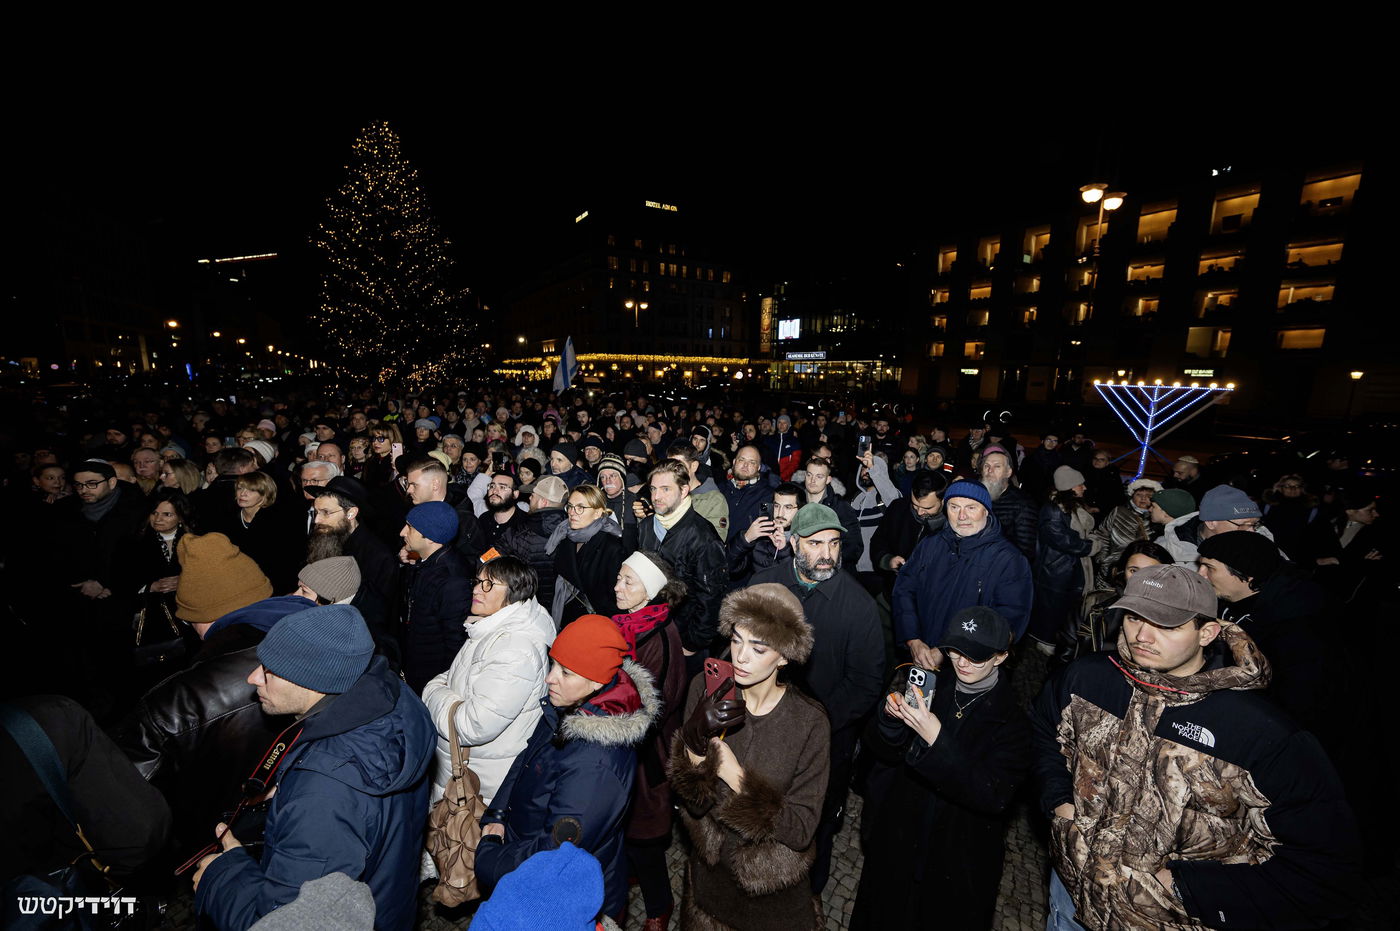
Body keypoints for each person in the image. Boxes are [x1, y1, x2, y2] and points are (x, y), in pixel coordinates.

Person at [1032, 564, 1361, 931]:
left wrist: (1185, 887)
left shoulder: (1260, 731)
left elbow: (1325, 869)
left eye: (1167, 625)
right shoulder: (1086, 677)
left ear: (1207, 633)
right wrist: (1060, 804)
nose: (1142, 635)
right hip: (1072, 897)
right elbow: (1043, 730)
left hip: (1171, 919)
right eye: (1134, 617)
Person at [192, 605, 435, 931]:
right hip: (391, 906)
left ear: (313, 680)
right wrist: (289, 788)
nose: (253, 678)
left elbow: (286, 919)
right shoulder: (394, 697)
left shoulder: (322, 797)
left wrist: (221, 876)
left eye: (270, 670)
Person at [117, 557, 349, 854]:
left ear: (206, 615)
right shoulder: (321, 650)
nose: (256, 679)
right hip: (280, 831)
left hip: (205, 844)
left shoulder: (175, 698)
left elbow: (126, 802)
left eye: (189, 619)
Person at [851, 606, 1030, 929]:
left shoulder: (1013, 723)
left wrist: (937, 740)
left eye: (976, 657)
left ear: (1000, 657)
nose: (962, 662)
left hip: (954, 860)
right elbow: (886, 753)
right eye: (956, 651)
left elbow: (993, 794)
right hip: (899, 843)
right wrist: (890, 722)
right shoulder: (932, 685)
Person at [475, 614, 660, 922]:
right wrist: (497, 814)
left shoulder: (596, 764)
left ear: (597, 681)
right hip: (523, 852)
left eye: (566, 672)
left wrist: (490, 859)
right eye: (553, 664)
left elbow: (554, 853)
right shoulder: (571, 705)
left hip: (563, 899)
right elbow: (527, 758)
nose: (550, 678)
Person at [667, 584, 830, 930]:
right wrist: (694, 742)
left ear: (784, 656)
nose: (740, 656)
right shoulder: (706, 691)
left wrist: (735, 777)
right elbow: (694, 806)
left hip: (773, 901)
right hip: (710, 889)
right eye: (736, 640)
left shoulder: (809, 722)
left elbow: (801, 829)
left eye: (758, 648)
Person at [747, 503, 884, 894]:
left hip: (826, 740)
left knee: (814, 828)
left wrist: (813, 723)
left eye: (834, 543)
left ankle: (807, 901)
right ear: (793, 543)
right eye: (815, 543)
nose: (827, 553)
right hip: (760, 729)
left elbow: (865, 682)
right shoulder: (764, 586)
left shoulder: (858, 606)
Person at [421, 555, 555, 813]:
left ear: (515, 593)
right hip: (470, 772)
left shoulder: (514, 648)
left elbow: (473, 725)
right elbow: (455, 678)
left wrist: (432, 692)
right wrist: (446, 690)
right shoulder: (490, 631)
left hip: (480, 787)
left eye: (489, 584)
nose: (476, 589)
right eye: (478, 581)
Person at [610, 550, 689, 930]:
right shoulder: (631, 624)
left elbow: (655, 705)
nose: (617, 587)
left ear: (651, 591)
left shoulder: (659, 636)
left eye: (628, 581)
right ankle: (632, 872)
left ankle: (660, 906)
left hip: (648, 753)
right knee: (627, 826)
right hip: (629, 744)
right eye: (618, 577)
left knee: (644, 834)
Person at [893, 481, 1033, 670]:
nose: (962, 516)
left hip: (968, 666)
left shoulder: (1009, 560)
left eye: (971, 507)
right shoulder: (930, 545)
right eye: (954, 507)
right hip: (920, 653)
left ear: (986, 511)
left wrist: (947, 650)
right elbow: (904, 589)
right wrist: (913, 639)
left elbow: (1007, 621)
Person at [636, 460, 727, 661]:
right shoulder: (646, 526)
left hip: (683, 639)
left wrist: (692, 643)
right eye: (653, 489)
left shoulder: (703, 537)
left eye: (665, 489)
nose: (656, 497)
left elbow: (710, 599)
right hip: (649, 630)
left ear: (684, 490)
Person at [398, 501, 476, 693]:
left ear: (430, 537)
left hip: (431, 681)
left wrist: (441, 688)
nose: (402, 532)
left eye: (410, 528)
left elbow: (455, 643)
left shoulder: (452, 579)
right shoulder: (427, 562)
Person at [1028, 466, 1099, 652]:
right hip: (1055, 571)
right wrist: (1092, 546)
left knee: (1063, 608)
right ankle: (1045, 641)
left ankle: (1057, 639)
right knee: (1051, 610)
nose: (1084, 487)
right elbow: (1064, 540)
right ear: (1070, 486)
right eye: (1080, 484)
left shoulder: (1071, 506)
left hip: (1067, 569)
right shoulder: (1053, 510)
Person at [548, 484, 624, 627]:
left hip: (596, 624)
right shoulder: (565, 537)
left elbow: (615, 598)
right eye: (570, 506)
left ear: (597, 513)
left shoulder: (612, 547)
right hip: (567, 619)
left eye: (580, 507)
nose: (572, 512)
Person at [1159, 484, 1280, 566]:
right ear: (1211, 522)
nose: (1252, 531)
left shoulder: (1267, 547)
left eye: (1254, 524)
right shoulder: (1167, 550)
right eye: (1243, 525)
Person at [498, 474, 569, 610]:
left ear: (543, 502)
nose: (529, 498)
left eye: (533, 495)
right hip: (561, 609)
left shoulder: (518, 532)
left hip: (525, 607)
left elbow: (488, 559)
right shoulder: (574, 532)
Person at [726, 480, 803, 585]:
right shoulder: (763, 535)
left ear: (800, 510)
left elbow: (798, 583)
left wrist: (783, 551)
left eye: (788, 507)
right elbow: (729, 569)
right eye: (776, 506)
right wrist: (746, 539)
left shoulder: (806, 540)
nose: (780, 513)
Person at [1092, 476, 1161, 585]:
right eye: (1139, 495)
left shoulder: (1157, 519)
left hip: (1141, 571)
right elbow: (1102, 534)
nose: (1143, 499)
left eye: (1148, 496)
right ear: (1132, 496)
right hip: (1111, 569)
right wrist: (1103, 558)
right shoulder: (1119, 512)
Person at [979, 444, 1037, 560]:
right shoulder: (976, 496)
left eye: (997, 466)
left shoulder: (1023, 504)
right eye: (986, 466)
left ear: (1008, 472)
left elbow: (1025, 551)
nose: (990, 471)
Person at [722, 444, 777, 542]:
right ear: (734, 462)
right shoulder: (720, 489)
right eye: (741, 460)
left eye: (752, 462)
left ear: (758, 467)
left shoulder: (768, 496)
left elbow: (764, 537)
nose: (745, 465)